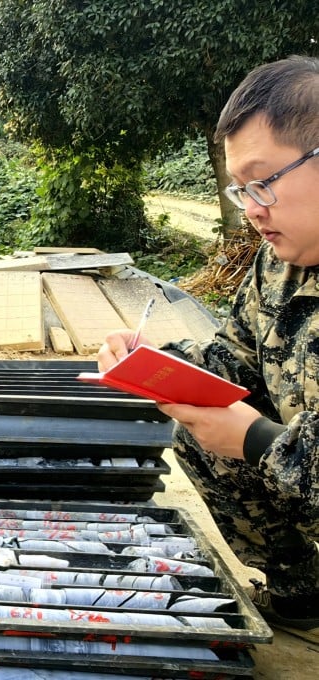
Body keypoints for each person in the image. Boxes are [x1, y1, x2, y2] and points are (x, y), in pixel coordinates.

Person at [98, 55, 319, 644]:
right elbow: (235, 359)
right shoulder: (280, 264)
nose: (250, 208)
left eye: (263, 181)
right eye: (239, 188)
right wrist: (155, 365)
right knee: (192, 426)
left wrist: (253, 437)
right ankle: (303, 592)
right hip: (298, 481)